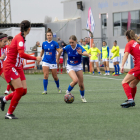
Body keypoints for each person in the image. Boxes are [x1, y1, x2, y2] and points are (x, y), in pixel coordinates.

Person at [0, 20, 42, 119]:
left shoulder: (21, 37)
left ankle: (4, 99)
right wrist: (35, 58)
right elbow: (22, 54)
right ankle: (9, 113)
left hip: (17, 67)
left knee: (24, 91)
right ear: (29, 29)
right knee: (19, 91)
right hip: (10, 66)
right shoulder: (19, 38)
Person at [57, 35, 90, 103]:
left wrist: (82, 53)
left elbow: (86, 53)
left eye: (72, 42)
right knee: (75, 80)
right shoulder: (68, 47)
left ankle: (82, 97)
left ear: (76, 41)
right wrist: (57, 59)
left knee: (81, 84)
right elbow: (60, 51)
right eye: (70, 42)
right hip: (70, 66)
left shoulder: (79, 47)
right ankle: (67, 92)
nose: (71, 44)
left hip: (78, 66)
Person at [120, 30, 140, 108]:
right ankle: (131, 100)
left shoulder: (129, 43)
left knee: (124, 82)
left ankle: (130, 100)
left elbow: (126, 55)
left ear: (127, 37)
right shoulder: (137, 43)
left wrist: (122, 66)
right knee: (133, 84)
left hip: (138, 67)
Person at [40, 28, 62, 95]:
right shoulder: (44, 43)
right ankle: (45, 90)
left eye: (50, 35)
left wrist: (59, 54)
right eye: (48, 35)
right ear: (46, 36)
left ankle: (58, 87)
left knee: (55, 76)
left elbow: (58, 51)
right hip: (45, 61)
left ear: (52, 36)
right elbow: (42, 51)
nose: (49, 36)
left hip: (53, 62)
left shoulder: (55, 43)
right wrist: (40, 57)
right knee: (45, 75)